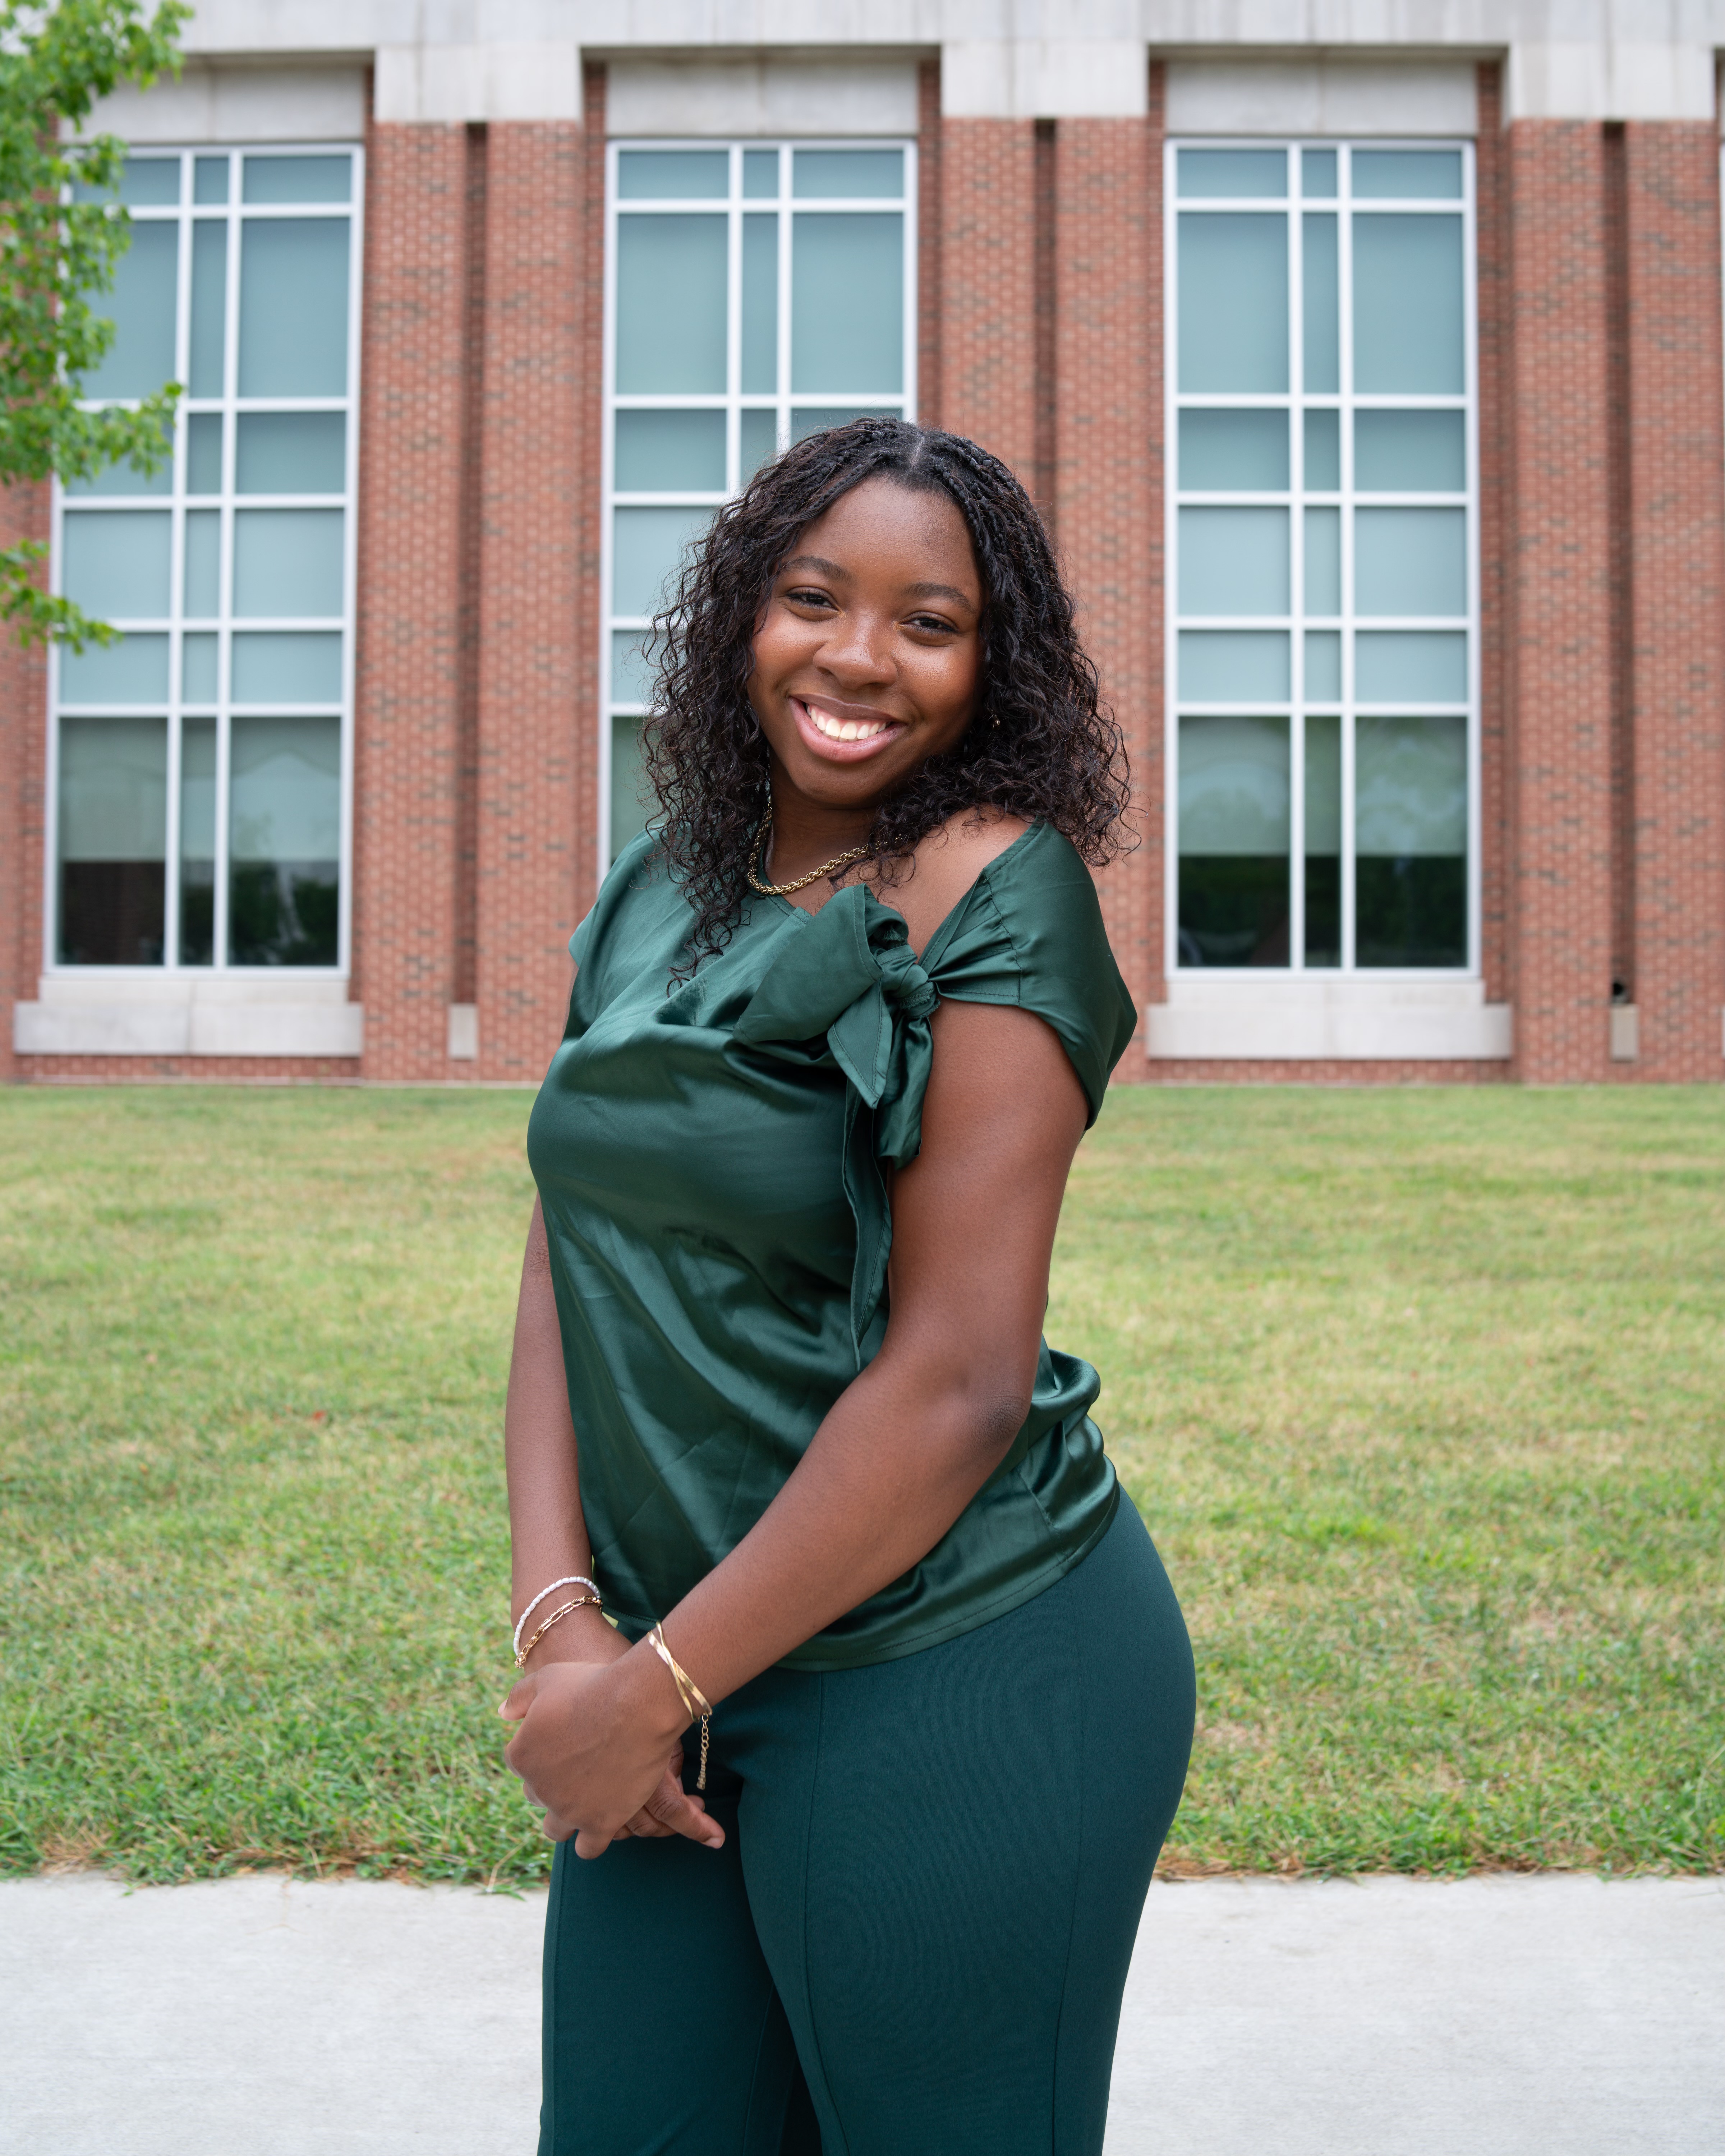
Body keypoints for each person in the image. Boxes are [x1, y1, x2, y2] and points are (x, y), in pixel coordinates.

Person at [500, 418, 1195, 2156]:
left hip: (959, 1666)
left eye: (928, 621)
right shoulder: (660, 885)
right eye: (814, 597)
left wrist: (652, 1690)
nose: (858, 659)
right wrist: (567, 1632)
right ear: (745, 611)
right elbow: (566, 1251)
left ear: (994, 661)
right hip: (674, 1665)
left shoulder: (1004, 896)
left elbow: (963, 1375)